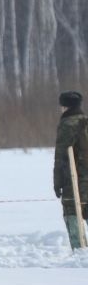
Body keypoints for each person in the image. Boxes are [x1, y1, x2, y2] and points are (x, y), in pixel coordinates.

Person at [59, 90, 86, 252]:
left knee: (71, 213)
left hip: (74, 179)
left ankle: (81, 253)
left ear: (64, 107)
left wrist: (58, 182)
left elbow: (60, 158)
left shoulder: (66, 125)